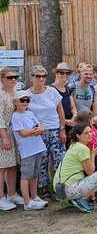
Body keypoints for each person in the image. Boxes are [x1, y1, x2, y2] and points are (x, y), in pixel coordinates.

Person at [53, 123, 97, 213]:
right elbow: (90, 172)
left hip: (60, 189)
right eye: (86, 133)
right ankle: (82, 198)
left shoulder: (74, 145)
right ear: (78, 136)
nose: (90, 135)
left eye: (90, 132)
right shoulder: (82, 148)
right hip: (68, 189)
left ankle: (76, 198)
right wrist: (93, 154)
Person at [27, 65, 67, 199]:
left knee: (60, 158)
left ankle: (59, 186)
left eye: (43, 76)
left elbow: (60, 112)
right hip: (37, 132)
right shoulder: (26, 95)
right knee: (42, 160)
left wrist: (62, 130)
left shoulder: (52, 91)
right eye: (38, 76)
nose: (41, 79)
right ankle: (44, 188)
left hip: (55, 130)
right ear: (31, 77)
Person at [12, 90, 48, 210]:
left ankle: (34, 196)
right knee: (26, 175)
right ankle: (27, 202)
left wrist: (36, 130)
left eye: (27, 100)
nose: (25, 102)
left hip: (37, 147)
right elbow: (23, 133)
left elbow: (41, 127)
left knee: (35, 174)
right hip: (27, 151)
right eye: (22, 100)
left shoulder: (30, 114)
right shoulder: (15, 116)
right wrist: (35, 131)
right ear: (15, 102)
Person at [0, 68, 23, 211]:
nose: (13, 80)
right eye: (9, 78)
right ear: (2, 79)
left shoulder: (17, 94)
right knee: (1, 167)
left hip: (16, 132)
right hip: (4, 132)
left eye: (15, 77)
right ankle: (1, 197)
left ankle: (12, 193)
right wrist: (4, 137)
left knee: (13, 164)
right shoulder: (1, 95)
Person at [51, 62, 78, 142]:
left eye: (67, 73)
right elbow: (51, 111)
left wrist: (74, 117)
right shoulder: (51, 89)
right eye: (62, 73)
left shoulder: (68, 88)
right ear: (56, 74)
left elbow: (72, 107)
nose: (65, 75)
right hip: (58, 125)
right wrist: (65, 121)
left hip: (70, 124)